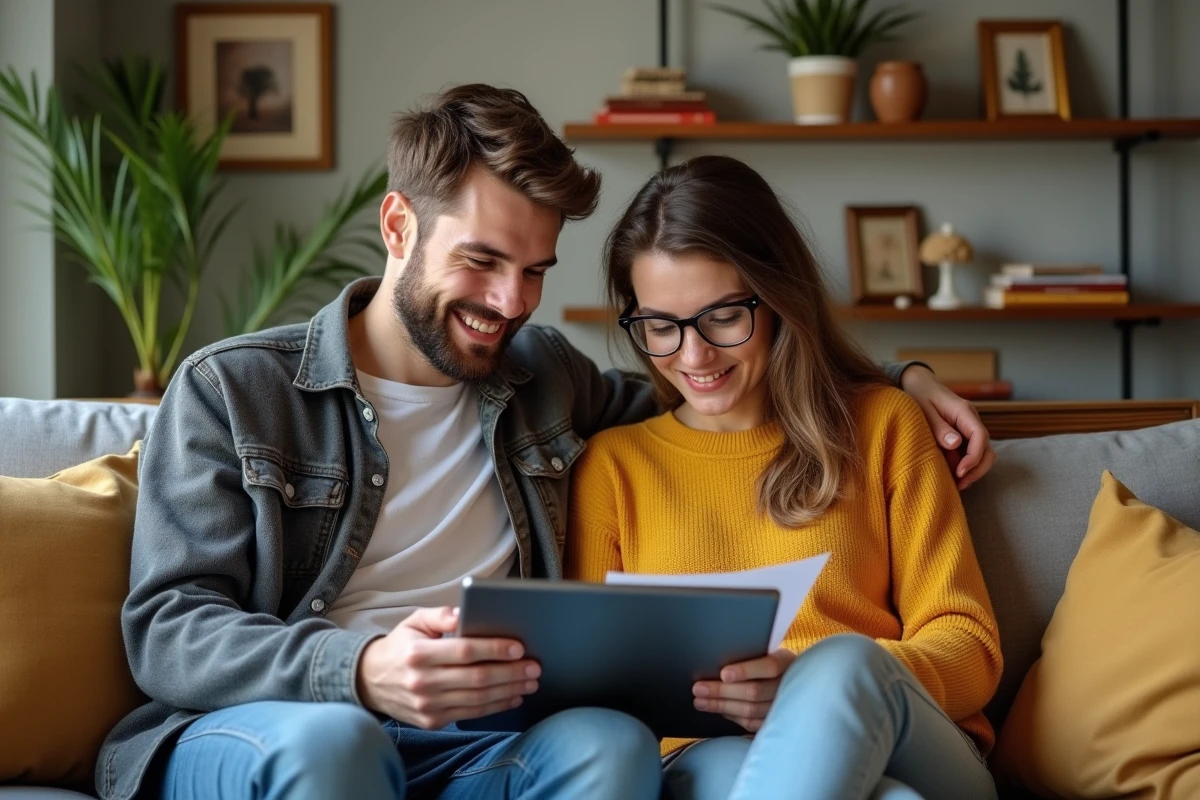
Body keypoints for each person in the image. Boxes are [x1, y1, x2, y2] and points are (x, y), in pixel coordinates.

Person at [98, 85, 994, 800]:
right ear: (399, 226)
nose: (510, 302)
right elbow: (168, 630)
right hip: (288, 716)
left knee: (608, 743)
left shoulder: (544, 379)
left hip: (479, 740)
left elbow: (726, 393)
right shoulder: (234, 388)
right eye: (483, 261)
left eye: (534, 272)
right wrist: (360, 671)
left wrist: (901, 380)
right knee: (335, 745)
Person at [565, 154, 1003, 800]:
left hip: (915, 739)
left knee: (843, 665)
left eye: (721, 317)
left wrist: (807, 684)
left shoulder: (885, 426)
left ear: (775, 297)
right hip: (711, 757)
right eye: (661, 326)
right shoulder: (614, 468)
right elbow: (598, 688)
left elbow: (970, 645)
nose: (694, 355)